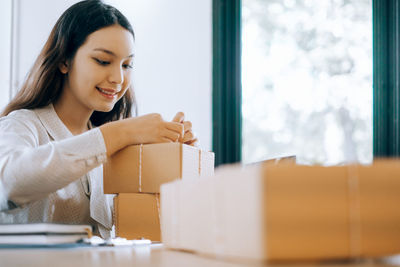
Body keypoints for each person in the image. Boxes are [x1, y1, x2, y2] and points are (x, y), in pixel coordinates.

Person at [0, 0, 197, 238]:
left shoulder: (117, 150)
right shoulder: (22, 124)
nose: (118, 78)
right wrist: (123, 132)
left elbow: (140, 231)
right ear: (65, 60)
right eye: (103, 61)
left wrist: (173, 164)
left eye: (127, 65)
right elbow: (10, 183)